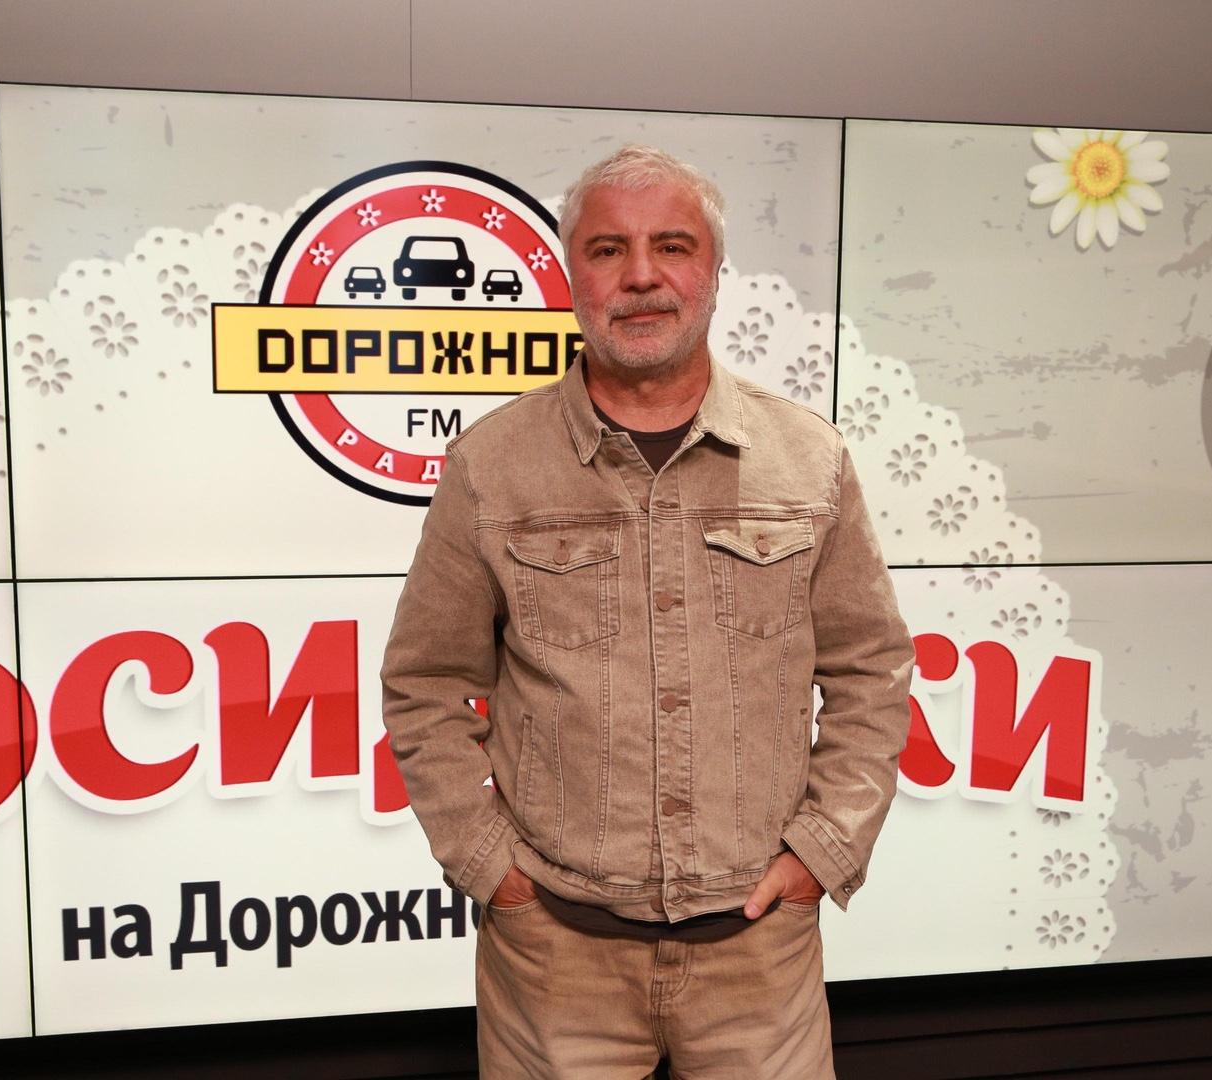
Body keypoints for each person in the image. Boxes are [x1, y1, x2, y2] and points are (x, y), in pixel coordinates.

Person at [381, 145, 914, 1078]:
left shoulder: (809, 460)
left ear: (714, 269)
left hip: (760, 961)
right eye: (607, 249)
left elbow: (872, 673)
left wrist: (820, 856)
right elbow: (424, 684)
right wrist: (491, 870)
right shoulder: (491, 467)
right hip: (553, 962)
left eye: (672, 245)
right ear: (570, 274)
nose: (640, 276)